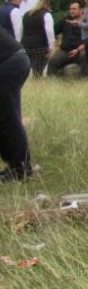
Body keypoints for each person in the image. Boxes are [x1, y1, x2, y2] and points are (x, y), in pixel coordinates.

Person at [0, 26, 32, 182]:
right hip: (14, 61)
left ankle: (21, 169)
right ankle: (15, 166)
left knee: (8, 119)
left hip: (9, 64)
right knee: (6, 119)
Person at [47, 1, 86, 77]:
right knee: (53, 60)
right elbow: (52, 31)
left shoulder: (86, 22)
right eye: (70, 9)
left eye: (74, 9)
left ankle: (87, 80)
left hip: (80, 51)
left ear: (81, 10)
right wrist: (56, 41)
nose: (71, 11)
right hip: (66, 52)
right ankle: (51, 82)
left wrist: (79, 49)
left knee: (87, 56)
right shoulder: (65, 21)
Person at [20, 0, 55, 76]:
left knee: (26, 70)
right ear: (47, 5)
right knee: (38, 71)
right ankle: (37, 85)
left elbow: (21, 30)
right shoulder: (46, 14)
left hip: (25, 45)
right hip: (40, 46)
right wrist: (51, 46)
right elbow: (49, 31)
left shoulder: (26, 14)